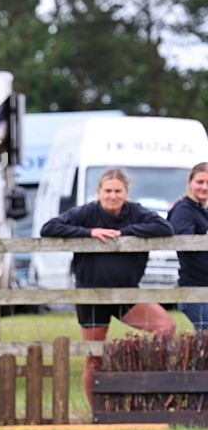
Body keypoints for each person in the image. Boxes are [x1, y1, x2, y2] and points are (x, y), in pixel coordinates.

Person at [40, 167, 176, 406]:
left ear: (126, 192)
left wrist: (125, 233)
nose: (113, 196)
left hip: (127, 293)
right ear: (99, 191)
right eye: (108, 191)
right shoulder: (86, 212)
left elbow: (165, 228)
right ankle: (98, 412)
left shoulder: (136, 212)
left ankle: (137, 374)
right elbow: (49, 228)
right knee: (94, 356)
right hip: (92, 295)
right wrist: (89, 232)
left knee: (165, 327)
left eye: (118, 191)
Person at [168, 162, 208, 331]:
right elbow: (185, 242)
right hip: (194, 287)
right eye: (200, 182)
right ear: (189, 183)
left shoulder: (201, 209)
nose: (204, 187)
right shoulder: (183, 210)